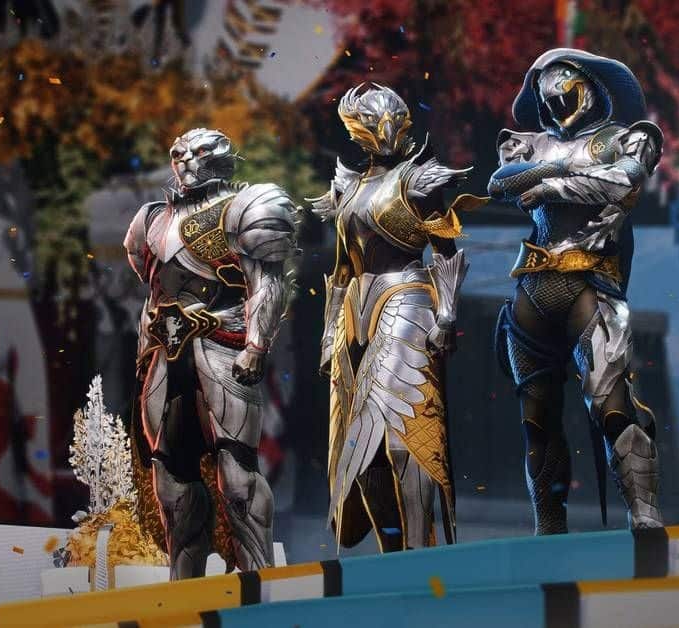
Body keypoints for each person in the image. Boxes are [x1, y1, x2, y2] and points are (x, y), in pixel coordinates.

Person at [488, 49, 665, 534]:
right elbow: (500, 183)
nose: (556, 96)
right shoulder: (525, 144)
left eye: (565, 83)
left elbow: (622, 181)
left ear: (589, 85)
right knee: (537, 420)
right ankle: (548, 525)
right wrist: (554, 172)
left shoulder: (628, 138)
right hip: (532, 292)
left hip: (592, 289)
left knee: (612, 406)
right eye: (547, 89)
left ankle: (644, 514)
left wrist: (549, 185)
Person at [309, 83, 482, 551]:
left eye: (390, 121)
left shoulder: (419, 180)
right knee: (358, 447)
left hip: (407, 298)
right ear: (356, 129)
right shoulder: (347, 186)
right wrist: (327, 337)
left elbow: (445, 253)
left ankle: (419, 550)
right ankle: (392, 557)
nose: (384, 130)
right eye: (373, 122)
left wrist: (446, 316)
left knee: (403, 430)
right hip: (353, 312)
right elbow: (341, 270)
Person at [123, 128, 296, 578]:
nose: (184, 161)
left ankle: (258, 582)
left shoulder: (244, 206)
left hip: (223, 346)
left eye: (196, 153)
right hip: (164, 356)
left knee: (238, 478)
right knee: (171, 483)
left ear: (218, 157)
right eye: (178, 153)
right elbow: (151, 284)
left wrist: (256, 345)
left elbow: (267, 283)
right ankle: (184, 589)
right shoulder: (150, 218)